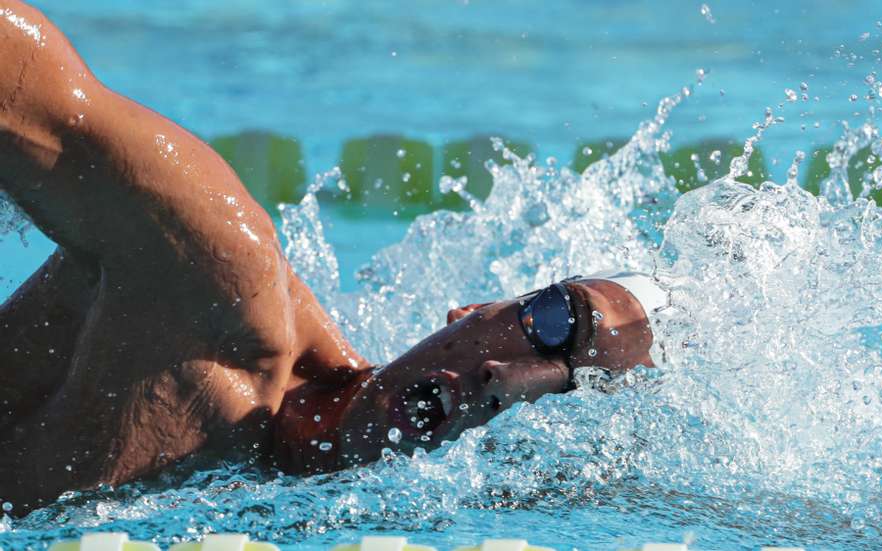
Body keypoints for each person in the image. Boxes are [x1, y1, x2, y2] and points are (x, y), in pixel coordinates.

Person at [0, 0, 666, 514]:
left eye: (568, 384)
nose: (502, 376)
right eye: (554, 322)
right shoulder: (221, 281)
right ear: (476, 309)